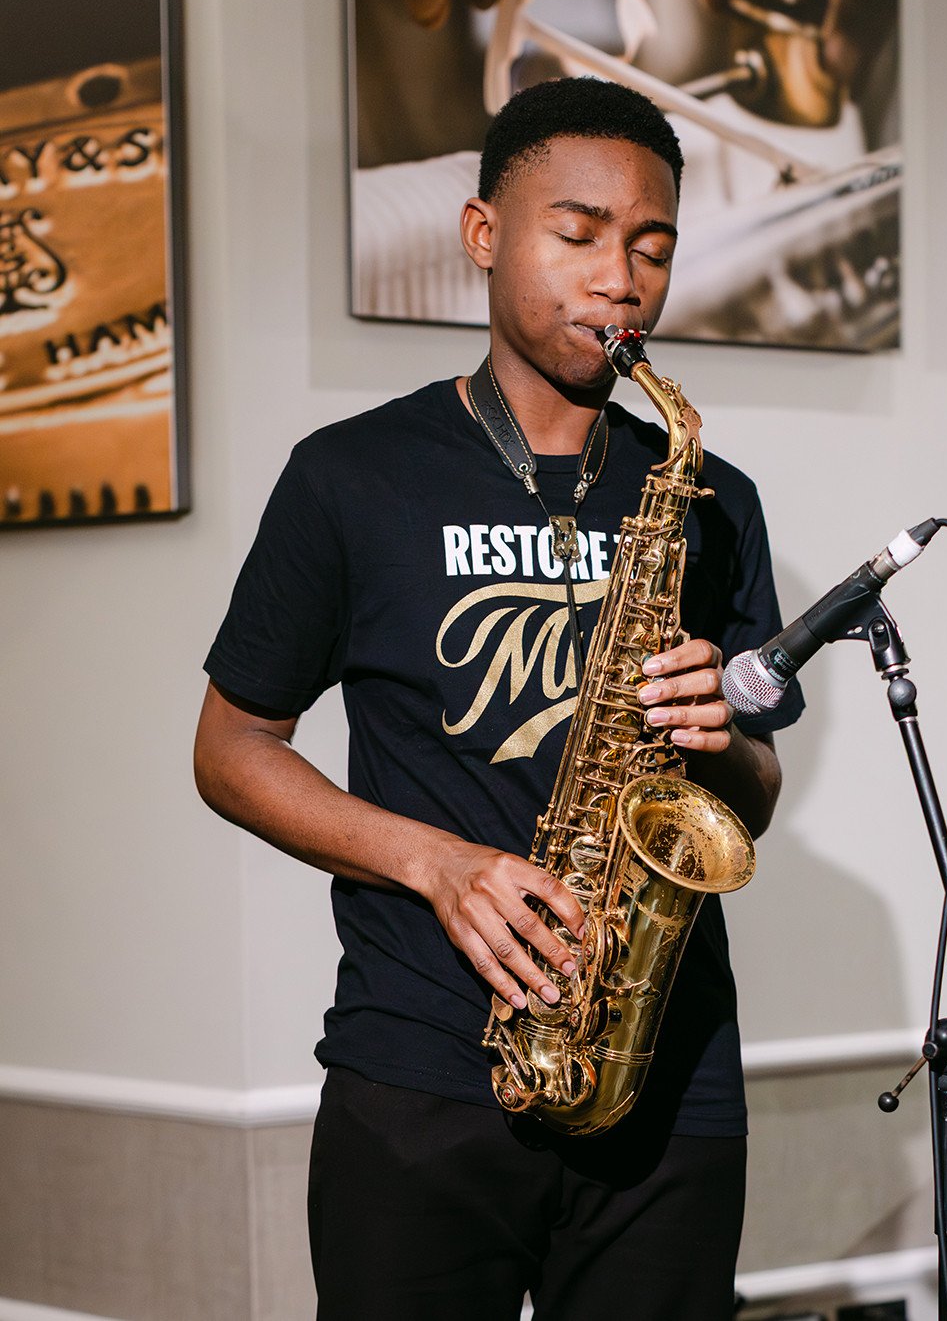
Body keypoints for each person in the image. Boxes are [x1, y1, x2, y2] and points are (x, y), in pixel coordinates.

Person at [194, 75, 804, 1321]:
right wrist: (438, 865)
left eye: (651, 247)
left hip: (661, 1078)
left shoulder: (710, 497)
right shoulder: (349, 478)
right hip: (419, 1073)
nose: (618, 278)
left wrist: (722, 738)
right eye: (576, 235)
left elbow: (751, 795)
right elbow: (231, 749)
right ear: (484, 235)